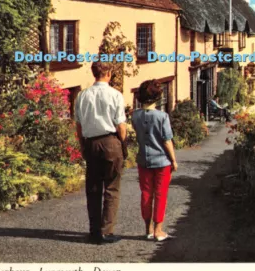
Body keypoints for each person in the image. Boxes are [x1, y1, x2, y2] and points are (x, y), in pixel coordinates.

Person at [75, 62, 127, 245]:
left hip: (91, 142)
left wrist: (83, 146)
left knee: (93, 188)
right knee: (112, 186)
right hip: (110, 141)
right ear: (109, 73)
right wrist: (123, 144)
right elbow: (121, 125)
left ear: (94, 73)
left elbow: (79, 125)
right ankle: (107, 230)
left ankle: (94, 230)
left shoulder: (82, 96)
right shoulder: (115, 95)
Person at [131, 80, 178, 242]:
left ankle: (148, 229)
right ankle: (158, 230)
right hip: (162, 161)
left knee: (146, 194)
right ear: (157, 97)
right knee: (160, 194)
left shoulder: (135, 115)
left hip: (143, 159)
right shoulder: (162, 116)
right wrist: (173, 160)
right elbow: (167, 140)